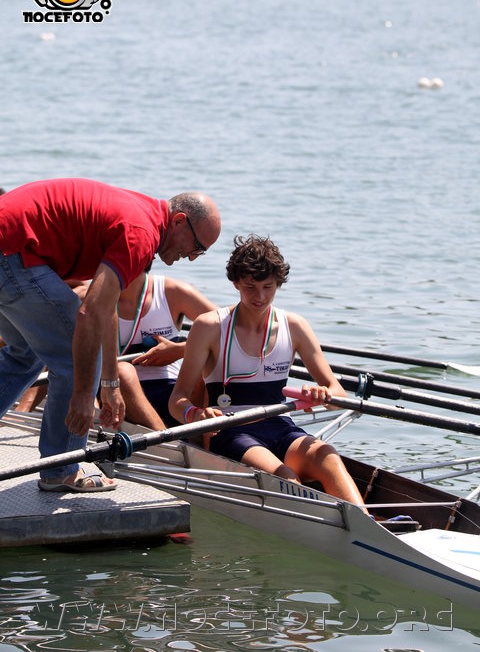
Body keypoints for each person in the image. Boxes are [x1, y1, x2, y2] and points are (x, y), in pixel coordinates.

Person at [0, 178, 221, 492]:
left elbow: (106, 307)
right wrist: (81, 394)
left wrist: (110, 384)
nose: (194, 257)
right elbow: (89, 314)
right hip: (13, 252)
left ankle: (60, 462)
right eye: (198, 247)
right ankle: (61, 469)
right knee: (74, 355)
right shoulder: (142, 234)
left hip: (9, 246)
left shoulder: (143, 220)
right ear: (179, 222)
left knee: (25, 352)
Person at [169, 235, 366, 509]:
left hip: (279, 425)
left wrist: (322, 394)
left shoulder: (295, 325)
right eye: (250, 286)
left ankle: (366, 525)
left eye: (268, 287)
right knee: (284, 476)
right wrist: (197, 414)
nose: (259, 297)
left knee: (329, 457)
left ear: (278, 284)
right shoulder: (209, 327)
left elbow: (337, 394)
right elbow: (176, 400)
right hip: (229, 429)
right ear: (235, 282)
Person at [117, 270, 216, 430]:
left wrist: (179, 350)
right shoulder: (92, 298)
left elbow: (230, 332)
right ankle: (168, 443)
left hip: (174, 393)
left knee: (208, 361)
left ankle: (203, 442)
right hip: (121, 394)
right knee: (123, 372)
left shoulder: (173, 292)